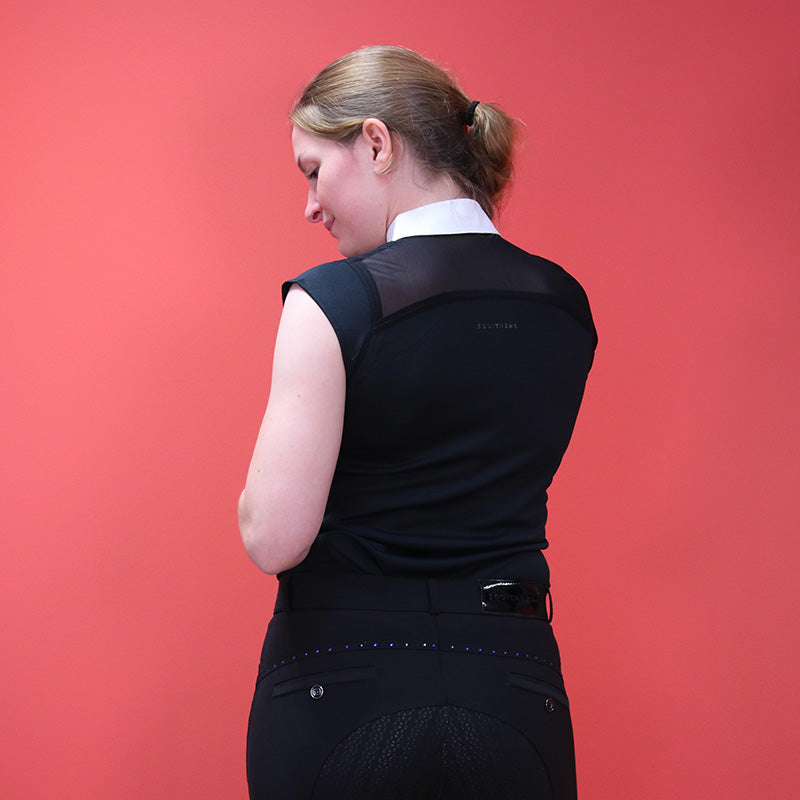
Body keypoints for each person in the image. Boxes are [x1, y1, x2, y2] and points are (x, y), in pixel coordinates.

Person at [238, 45, 596, 799]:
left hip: (342, 685)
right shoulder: (563, 304)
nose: (310, 205)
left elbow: (274, 536)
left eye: (313, 170)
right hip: (515, 685)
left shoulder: (333, 299)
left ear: (376, 143)